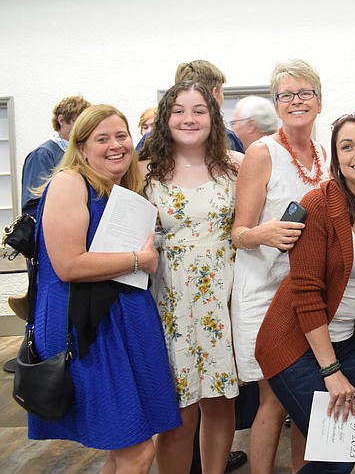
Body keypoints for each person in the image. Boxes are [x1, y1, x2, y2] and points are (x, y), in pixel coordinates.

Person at [255, 113, 355, 474]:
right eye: (346, 146)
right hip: (293, 343)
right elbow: (307, 295)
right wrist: (331, 371)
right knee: (340, 452)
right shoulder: (317, 205)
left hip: (345, 340)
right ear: (336, 159)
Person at [28, 104, 180, 472]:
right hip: (87, 329)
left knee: (124, 447)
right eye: (102, 138)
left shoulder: (120, 189)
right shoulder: (69, 182)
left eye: (121, 135)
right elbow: (68, 265)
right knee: (138, 451)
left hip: (123, 323)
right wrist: (137, 260)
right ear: (80, 147)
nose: (115, 145)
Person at [231, 60, 328, 473]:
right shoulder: (261, 152)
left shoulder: (326, 154)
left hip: (308, 295)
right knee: (274, 397)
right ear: (276, 104)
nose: (296, 101)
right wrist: (264, 232)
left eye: (304, 93)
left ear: (319, 102)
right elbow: (238, 233)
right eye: (286, 95)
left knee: (308, 396)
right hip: (263, 293)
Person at [142, 81, 243, 474]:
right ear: (165, 118)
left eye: (199, 110)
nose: (189, 118)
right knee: (179, 411)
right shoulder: (144, 174)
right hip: (171, 303)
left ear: (213, 117)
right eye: (179, 110)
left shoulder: (236, 166)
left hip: (224, 299)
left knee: (220, 404)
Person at [137, 59, 245, 154]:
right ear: (214, 92)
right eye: (178, 111)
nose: (189, 120)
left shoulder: (149, 140)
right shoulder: (227, 139)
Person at [21, 95, 91, 216]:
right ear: (61, 120)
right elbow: (32, 205)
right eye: (80, 122)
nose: (85, 128)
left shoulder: (82, 151)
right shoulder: (43, 154)